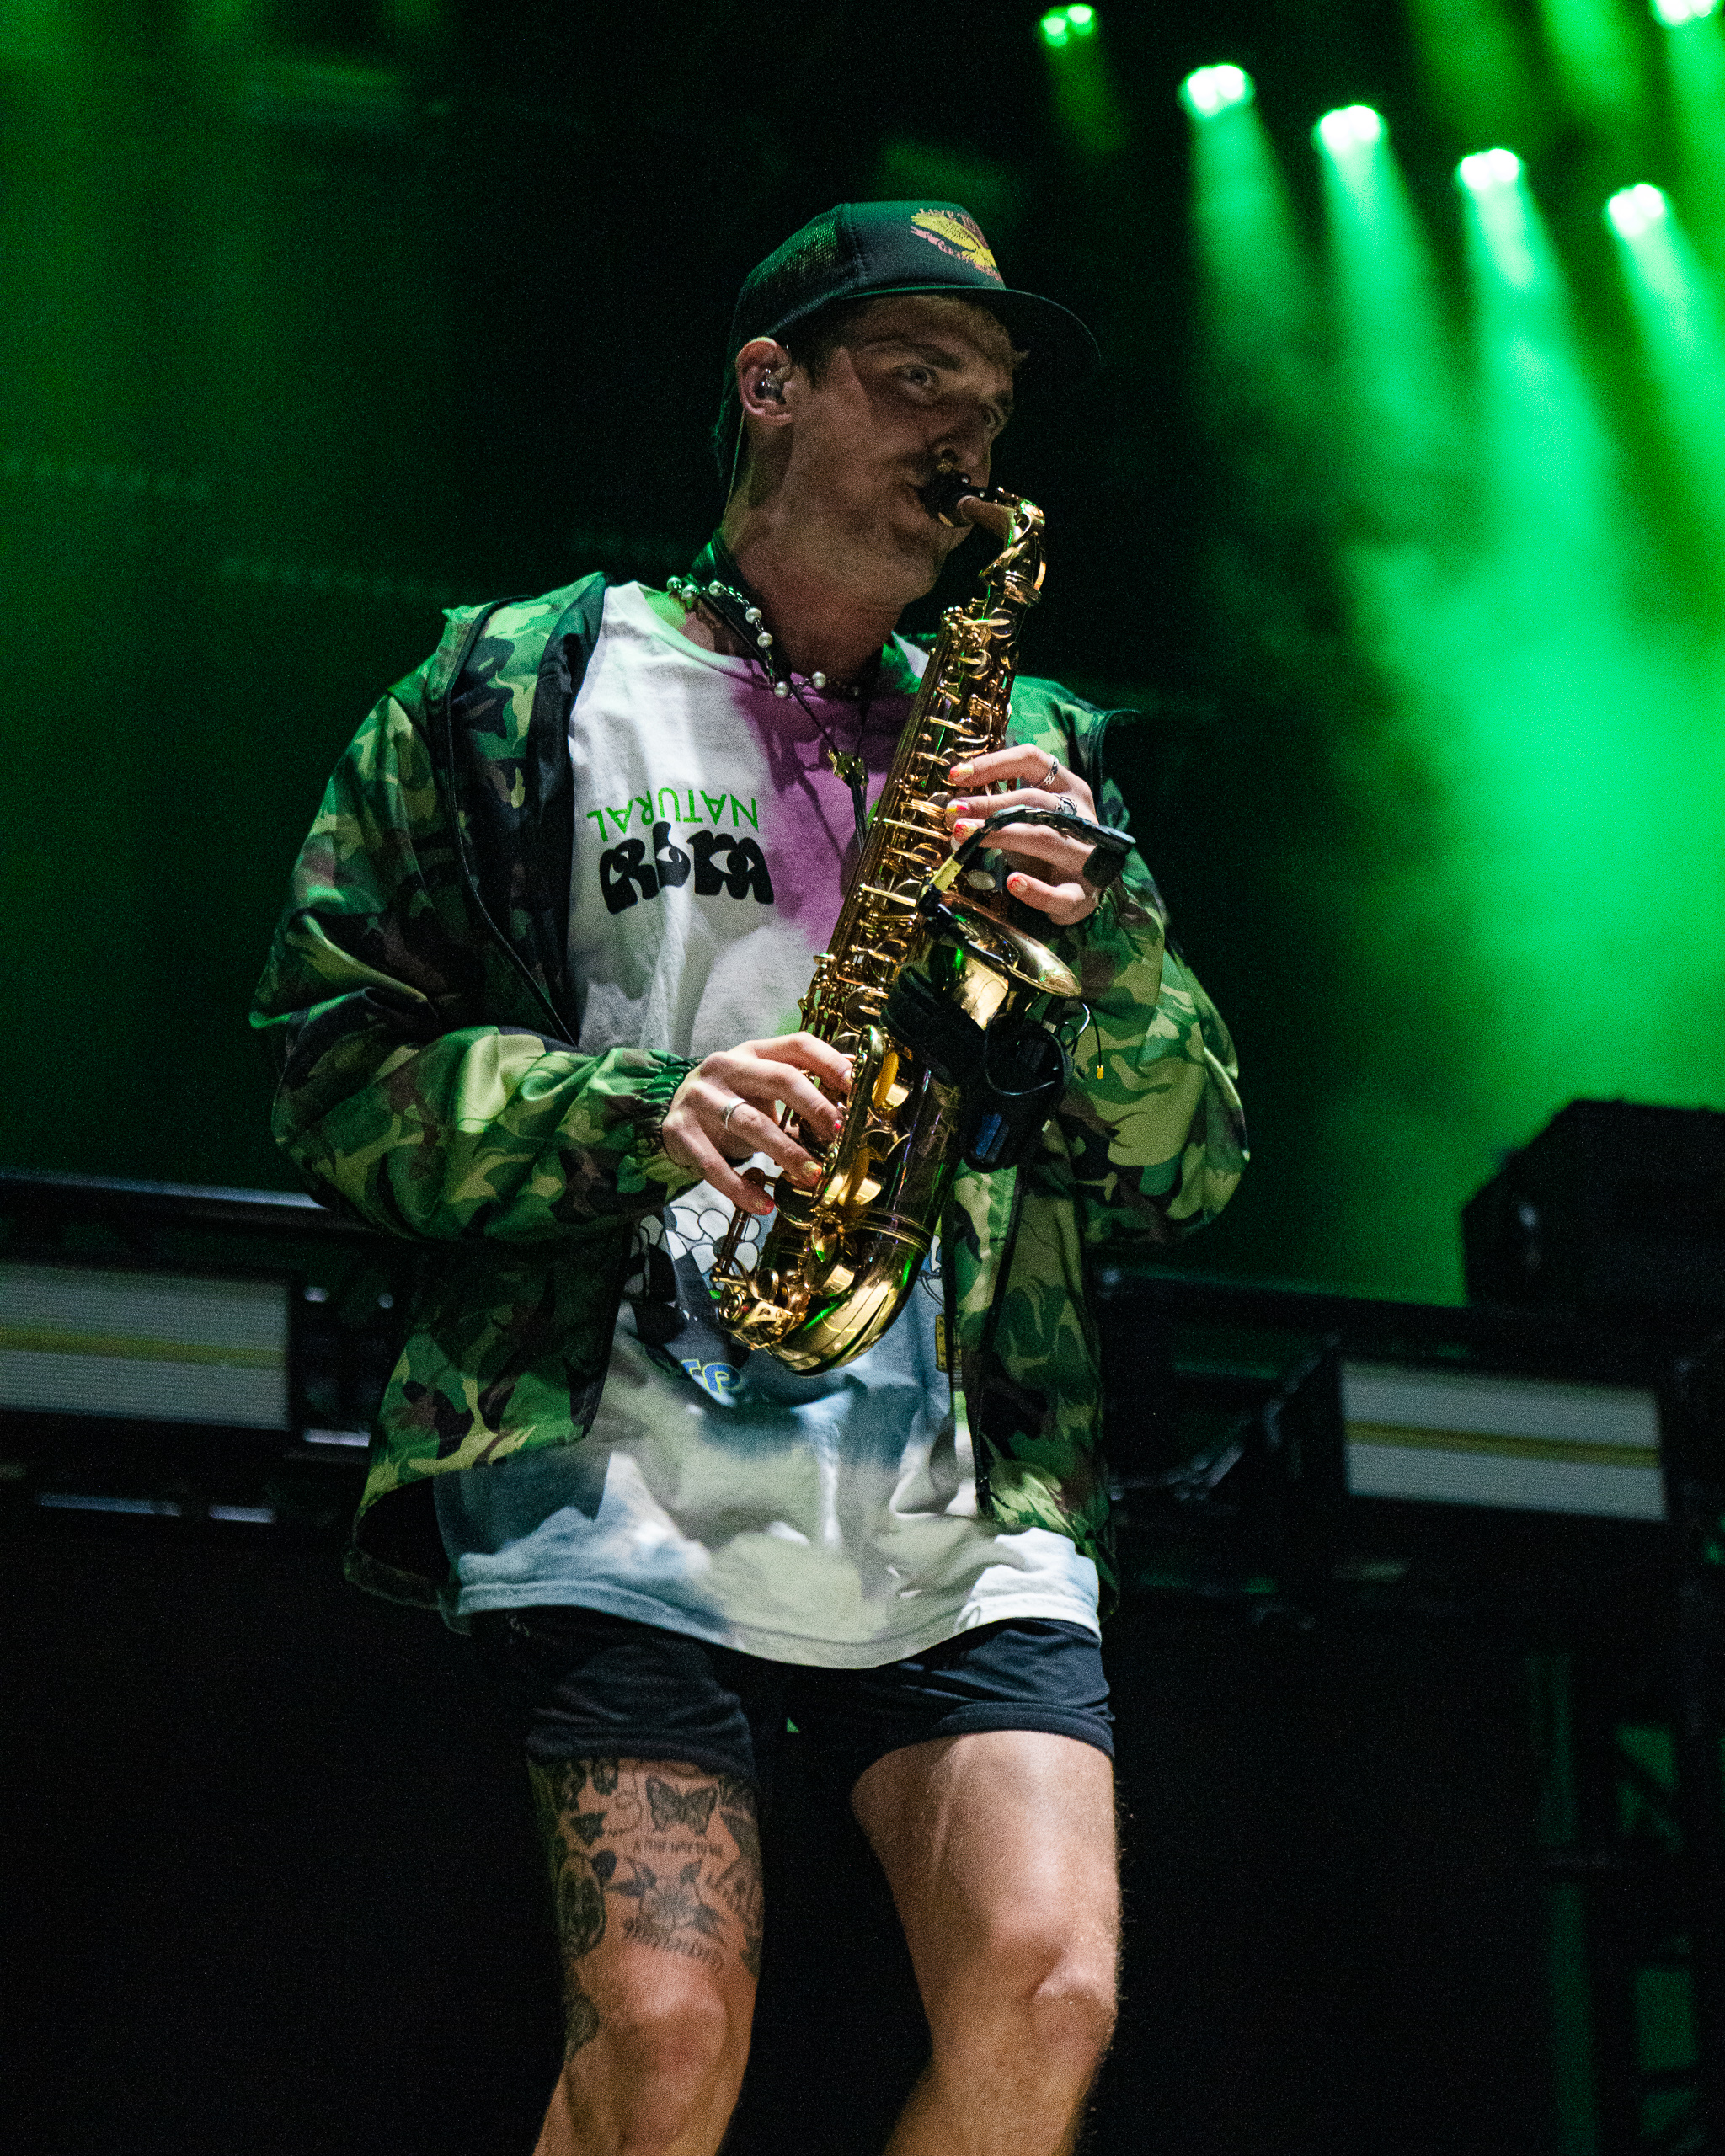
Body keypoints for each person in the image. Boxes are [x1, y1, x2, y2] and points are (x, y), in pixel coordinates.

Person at [253, 200, 1245, 2156]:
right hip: (620, 1459)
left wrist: (1106, 930)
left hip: (953, 1483)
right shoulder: (519, 687)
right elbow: (331, 1074)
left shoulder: (1039, 751)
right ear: (766, 385)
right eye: (913, 380)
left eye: (991, 401)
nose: (964, 437)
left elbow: (1190, 1162)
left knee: (1050, 1989)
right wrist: (640, 1109)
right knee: (666, 2035)